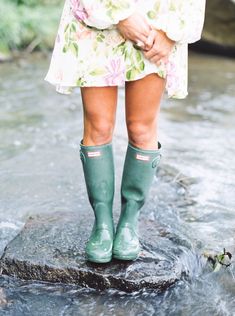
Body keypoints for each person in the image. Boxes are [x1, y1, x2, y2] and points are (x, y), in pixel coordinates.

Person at [45, 0, 206, 263]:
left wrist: (173, 33)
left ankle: (129, 222)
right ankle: (103, 225)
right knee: (98, 126)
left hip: (158, 21)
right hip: (99, 17)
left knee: (141, 128)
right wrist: (119, 14)